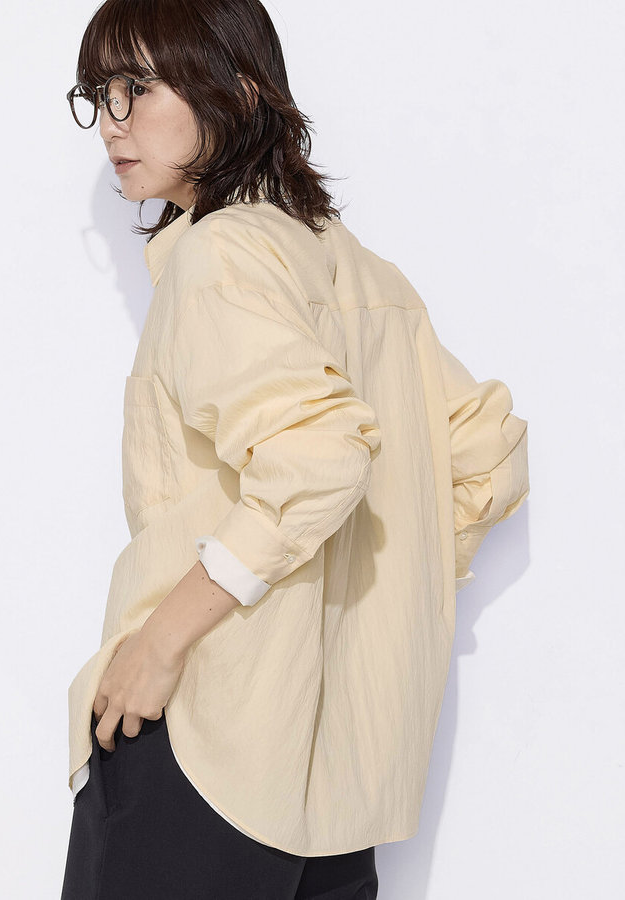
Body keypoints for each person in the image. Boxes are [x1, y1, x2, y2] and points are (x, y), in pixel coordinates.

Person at [60, 1, 530, 898]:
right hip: (340, 780)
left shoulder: (219, 258)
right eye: (98, 94)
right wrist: (385, 589)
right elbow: (486, 454)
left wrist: (159, 641)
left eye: (137, 87)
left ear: (239, 90)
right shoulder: (361, 272)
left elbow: (318, 457)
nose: (112, 122)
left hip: (208, 737)